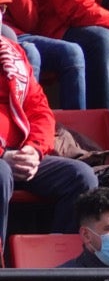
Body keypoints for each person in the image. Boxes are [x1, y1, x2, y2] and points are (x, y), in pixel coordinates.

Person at [0, 33, 97, 256]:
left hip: (21, 153)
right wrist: (4, 156)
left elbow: (40, 110)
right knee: (1, 173)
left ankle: (59, 268)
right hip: (4, 161)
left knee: (81, 177)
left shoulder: (12, 54)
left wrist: (34, 149)